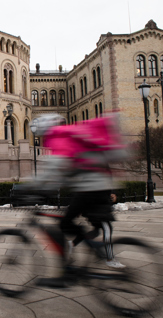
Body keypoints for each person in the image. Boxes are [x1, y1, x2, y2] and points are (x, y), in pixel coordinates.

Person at [32, 113, 128, 275]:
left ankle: (105, 258)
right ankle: (79, 249)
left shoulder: (59, 136)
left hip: (92, 188)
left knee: (98, 224)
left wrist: (33, 186)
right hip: (87, 188)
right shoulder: (72, 134)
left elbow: (56, 167)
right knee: (92, 225)